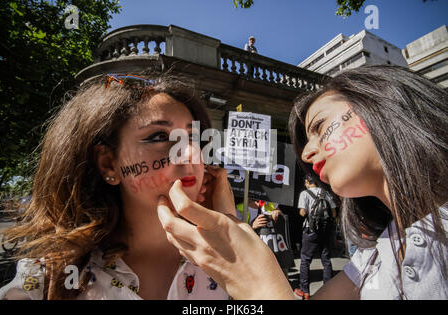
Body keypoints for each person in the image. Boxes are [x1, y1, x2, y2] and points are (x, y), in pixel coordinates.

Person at [157, 65, 447, 300]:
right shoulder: (374, 256)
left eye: (320, 128)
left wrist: (261, 286)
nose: (307, 154)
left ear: (384, 106)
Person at [0, 73, 230, 300]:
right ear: (108, 164)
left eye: (193, 137)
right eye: (159, 136)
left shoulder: (230, 259)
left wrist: (231, 229)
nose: (189, 153)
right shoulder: (51, 278)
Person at [295, 176, 337, 299]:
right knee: (326, 260)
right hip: (325, 230)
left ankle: (305, 291)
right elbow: (334, 213)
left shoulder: (304, 193)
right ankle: (327, 289)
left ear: (308, 182)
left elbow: (302, 212)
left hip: (310, 230)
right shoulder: (326, 192)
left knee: (305, 260)